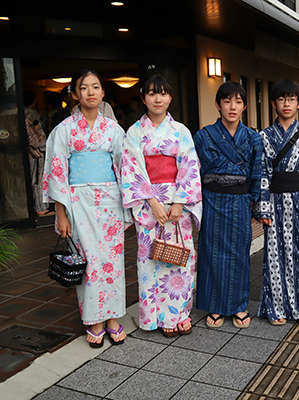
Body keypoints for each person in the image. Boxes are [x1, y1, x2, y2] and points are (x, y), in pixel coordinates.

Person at [43, 69, 130, 348]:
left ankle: (114, 316)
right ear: (74, 95)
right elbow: (57, 171)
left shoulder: (114, 130)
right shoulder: (64, 130)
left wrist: (130, 202)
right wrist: (61, 212)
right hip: (78, 201)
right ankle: (94, 319)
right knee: (89, 262)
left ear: (103, 93)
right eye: (84, 88)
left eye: (96, 87)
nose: (90, 92)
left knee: (113, 262)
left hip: (110, 201)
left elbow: (126, 167)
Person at [121, 75, 202, 337]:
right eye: (152, 94)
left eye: (164, 93)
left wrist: (179, 202)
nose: (158, 99)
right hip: (148, 205)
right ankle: (154, 316)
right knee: (150, 261)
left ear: (170, 98)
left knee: (180, 260)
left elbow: (190, 166)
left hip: (178, 205)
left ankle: (179, 314)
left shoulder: (180, 131)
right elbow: (131, 169)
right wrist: (153, 202)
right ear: (143, 98)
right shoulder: (134, 132)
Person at [194, 81, 263, 329]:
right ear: (217, 105)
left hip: (240, 201)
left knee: (239, 254)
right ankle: (215, 305)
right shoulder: (202, 136)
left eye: (237, 101)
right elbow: (194, 173)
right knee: (212, 253)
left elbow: (257, 174)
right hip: (212, 200)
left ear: (244, 106)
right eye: (226, 101)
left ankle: (238, 305)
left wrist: (256, 205)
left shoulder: (253, 138)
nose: (232, 107)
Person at [254, 79, 299, 326]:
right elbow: (261, 173)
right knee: (274, 253)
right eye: (282, 99)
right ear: (273, 103)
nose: (287, 103)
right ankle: (276, 307)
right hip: (274, 199)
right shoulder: (264, 136)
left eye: (291, 99)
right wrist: (262, 207)